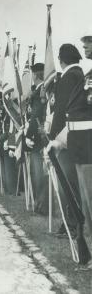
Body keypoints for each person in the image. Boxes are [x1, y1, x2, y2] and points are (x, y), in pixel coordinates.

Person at [48, 35, 92, 268]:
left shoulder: (73, 77)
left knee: (77, 193)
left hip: (83, 145)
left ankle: (76, 230)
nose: (85, 47)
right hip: (76, 142)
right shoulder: (84, 76)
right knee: (82, 197)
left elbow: (67, 113)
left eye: (89, 43)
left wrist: (56, 137)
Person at [48, 44, 83, 237]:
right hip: (76, 137)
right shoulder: (79, 75)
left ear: (61, 60)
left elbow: (61, 111)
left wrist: (54, 137)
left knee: (66, 184)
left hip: (66, 137)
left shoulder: (68, 77)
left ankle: (71, 224)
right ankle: (71, 222)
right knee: (72, 183)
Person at [25, 63, 48, 214]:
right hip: (40, 134)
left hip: (38, 136)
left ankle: (42, 206)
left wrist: (28, 135)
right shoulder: (40, 90)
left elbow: (36, 116)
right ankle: (41, 204)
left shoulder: (41, 91)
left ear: (35, 75)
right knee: (40, 172)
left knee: (39, 172)